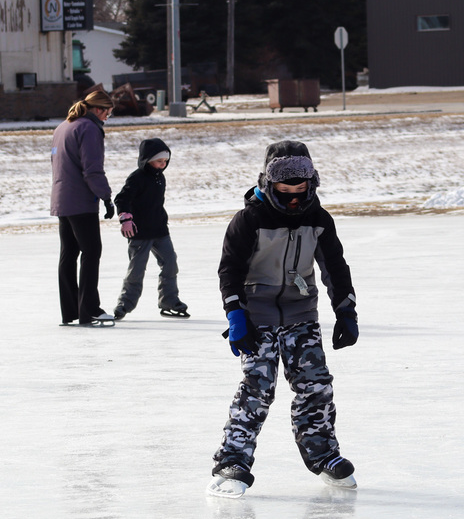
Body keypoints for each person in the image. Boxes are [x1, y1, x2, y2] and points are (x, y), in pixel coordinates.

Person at [207, 140, 360, 499]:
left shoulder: (318, 220)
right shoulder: (249, 220)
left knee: (315, 385)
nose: (293, 198)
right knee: (257, 388)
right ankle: (232, 463)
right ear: (268, 183)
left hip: (300, 312)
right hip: (255, 314)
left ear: (312, 184)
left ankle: (324, 455)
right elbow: (229, 270)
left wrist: (346, 311)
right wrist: (235, 314)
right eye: (284, 190)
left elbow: (335, 268)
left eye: (300, 189)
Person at [50, 90, 117, 326]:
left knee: (68, 254)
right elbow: (92, 169)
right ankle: (89, 309)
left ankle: (70, 311)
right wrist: (106, 197)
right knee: (91, 252)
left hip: (62, 199)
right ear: (98, 109)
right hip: (80, 201)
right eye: (109, 112)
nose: (108, 117)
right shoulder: (89, 129)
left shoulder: (63, 127)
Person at [111, 138, 190, 320]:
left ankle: (169, 301)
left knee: (170, 264)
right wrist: (125, 218)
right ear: (147, 160)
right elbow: (122, 198)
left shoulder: (160, 177)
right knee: (136, 270)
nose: (163, 165)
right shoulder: (137, 177)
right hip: (140, 232)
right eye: (159, 161)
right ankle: (125, 304)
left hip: (160, 230)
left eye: (165, 162)